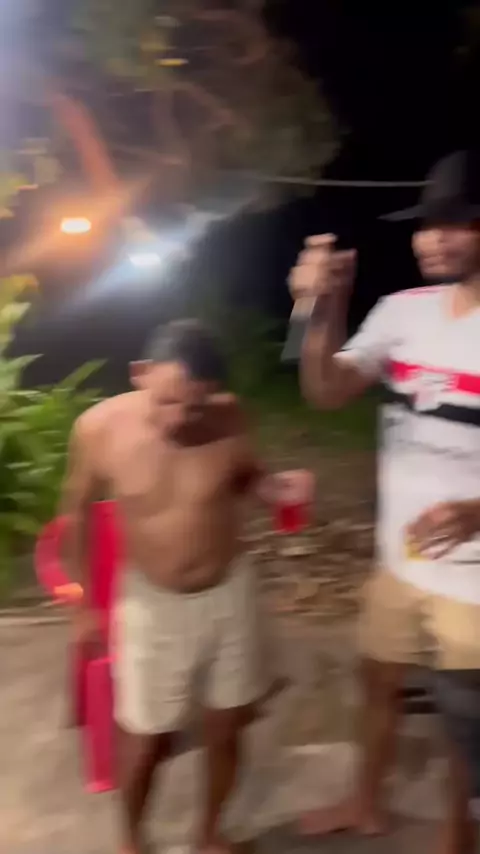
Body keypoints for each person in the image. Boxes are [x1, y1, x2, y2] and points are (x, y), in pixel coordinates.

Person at [289, 149, 480, 854]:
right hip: (397, 560)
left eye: (454, 223)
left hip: (473, 580)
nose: (431, 238)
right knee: (377, 681)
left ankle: (457, 835)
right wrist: (318, 307)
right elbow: (325, 390)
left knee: (464, 716)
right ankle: (365, 801)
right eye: (426, 224)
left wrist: (477, 512)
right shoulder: (401, 311)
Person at [62, 319, 286, 854]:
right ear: (140, 374)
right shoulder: (99, 428)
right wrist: (84, 606)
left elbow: (248, 476)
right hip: (152, 603)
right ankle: (131, 843)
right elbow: (76, 513)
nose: (179, 418)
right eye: (166, 401)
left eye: (195, 405)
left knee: (227, 726)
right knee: (146, 738)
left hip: (229, 592)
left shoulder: (230, 416)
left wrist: (275, 487)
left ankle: (210, 833)